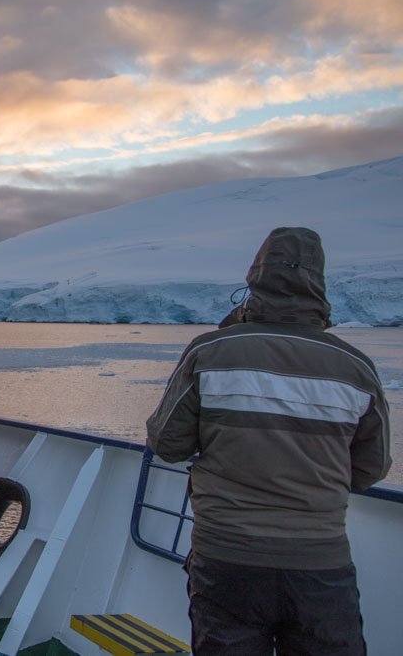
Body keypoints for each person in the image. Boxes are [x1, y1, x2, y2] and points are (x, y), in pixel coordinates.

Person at [146, 227, 391, 655]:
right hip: (319, 565)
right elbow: (371, 469)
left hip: (227, 560)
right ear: (319, 283)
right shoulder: (356, 368)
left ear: (254, 277)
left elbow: (167, 443)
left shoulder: (210, 352)